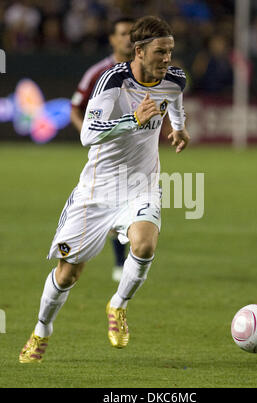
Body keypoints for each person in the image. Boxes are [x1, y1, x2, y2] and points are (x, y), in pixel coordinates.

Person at [19, 15, 190, 363]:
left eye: (170, 51)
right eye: (160, 52)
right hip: (98, 190)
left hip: (141, 185)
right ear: (139, 51)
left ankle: (118, 305)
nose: (167, 59)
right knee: (68, 274)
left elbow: (175, 100)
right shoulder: (112, 81)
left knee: (144, 243)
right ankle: (41, 330)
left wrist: (179, 128)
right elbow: (88, 135)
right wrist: (133, 119)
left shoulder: (174, 78)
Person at [70, 17, 134, 283]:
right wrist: (90, 134)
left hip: (134, 153)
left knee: (130, 205)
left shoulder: (144, 71)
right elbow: (75, 107)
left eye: (133, 33)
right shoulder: (98, 72)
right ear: (112, 38)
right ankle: (117, 263)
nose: (128, 38)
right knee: (111, 205)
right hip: (106, 154)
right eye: (123, 33)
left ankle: (124, 262)